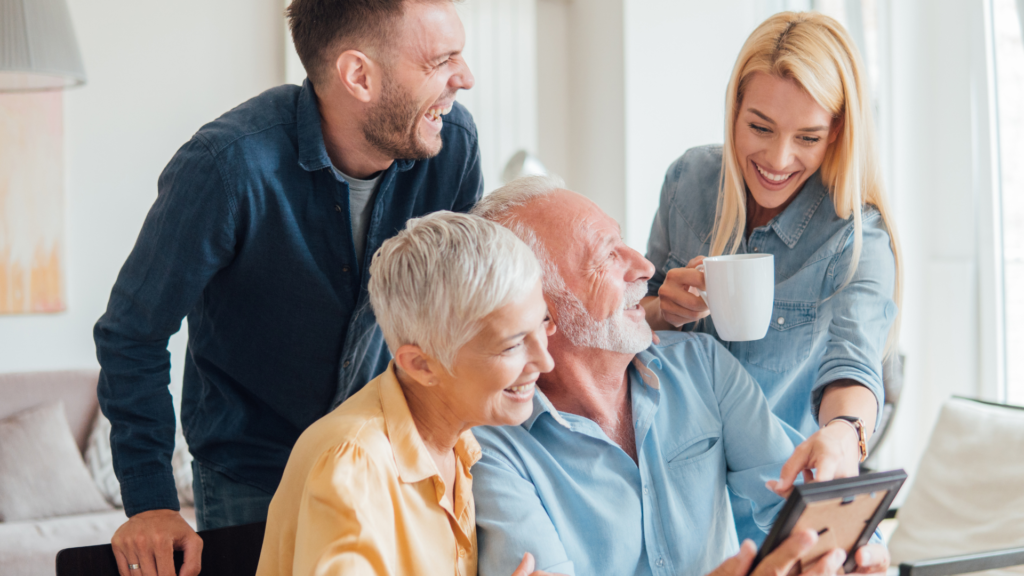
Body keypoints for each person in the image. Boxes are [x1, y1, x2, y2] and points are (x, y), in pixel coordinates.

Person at [93, 0, 481, 574]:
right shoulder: (225, 168)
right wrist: (151, 502)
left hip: (394, 458)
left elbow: (469, 308)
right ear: (359, 76)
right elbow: (133, 335)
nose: (464, 78)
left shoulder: (452, 145)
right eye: (440, 60)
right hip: (254, 472)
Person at [469, 177, 890, 576]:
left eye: (623, 242)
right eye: (606, 257)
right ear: (538, 311)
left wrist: (852, 550)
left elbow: (799, 505)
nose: (644, 267)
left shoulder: (701, 367)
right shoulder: (492, 448)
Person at [642, 11, 901, 543]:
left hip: (778, 506)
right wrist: (659, 311)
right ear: (734, 110)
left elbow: (854, 365)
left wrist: (842, 433)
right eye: (759, 127)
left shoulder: (856, 238)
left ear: (836, 133)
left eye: (807, 137)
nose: (778, 159)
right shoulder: (688, 183)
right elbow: (630, 324)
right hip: (673, 502)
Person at [256, 212, 559, 576]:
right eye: (512, 346)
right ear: (421, 365)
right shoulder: (354, 464)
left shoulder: (459, 444)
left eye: (542, 323)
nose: (545, 361)